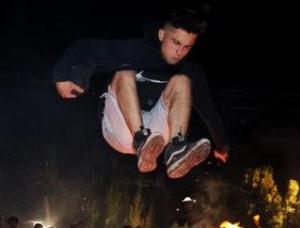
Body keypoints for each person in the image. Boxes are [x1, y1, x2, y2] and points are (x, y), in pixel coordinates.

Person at [52, 8, 229, 178]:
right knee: (124, 73)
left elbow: (209, 111)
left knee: (183, 81)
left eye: (186, 47)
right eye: (176, 42)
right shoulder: (137, 50)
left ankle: (176, 149)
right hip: (119, 128)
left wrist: (222, 146)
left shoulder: (190, 70)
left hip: (157, 135)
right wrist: (61, 76)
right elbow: (85, 47)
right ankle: (140, 140)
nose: (179, 52)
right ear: (162, 35)